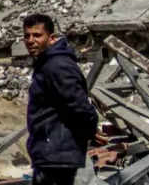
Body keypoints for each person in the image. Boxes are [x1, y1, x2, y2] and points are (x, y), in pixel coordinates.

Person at [23, 13, 99, 185]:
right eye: (27, 35)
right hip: (53, 154)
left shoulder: (56, 66)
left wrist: (91, 130)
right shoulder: (48, 64)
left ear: (51, 38)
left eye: (37, 35)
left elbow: (79, 106)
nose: (30, 40)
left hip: (58, 158)